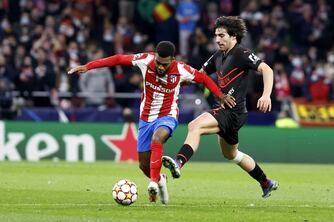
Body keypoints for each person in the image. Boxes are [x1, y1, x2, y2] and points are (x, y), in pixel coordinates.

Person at [68, 41, 235, 204]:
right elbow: (118, 59)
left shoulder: (182, 69)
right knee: (143, 165)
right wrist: (88, 66)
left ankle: (153, 183)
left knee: (157, 138)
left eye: (164, 64)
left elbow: (204, 78)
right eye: (158, 63)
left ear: (172, 59)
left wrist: (221, 96)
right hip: (146, 118)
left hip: (167, 115)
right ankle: (160, 179)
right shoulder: (146, 60)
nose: (160, 67)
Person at [162, 16, 279, 198]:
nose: (217, 40)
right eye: (216, 35)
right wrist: (178, 81)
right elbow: (199, 75)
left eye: (222, 35)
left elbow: (267, 69)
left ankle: (178, 163)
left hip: (232, 111)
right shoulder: (218, 56)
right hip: (229, 112)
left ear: (234, 36)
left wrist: (265, 95)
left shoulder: (241, 53)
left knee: (195, 126)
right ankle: (266, 182)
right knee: (231, 154)